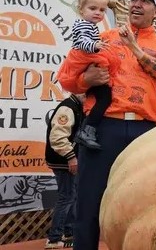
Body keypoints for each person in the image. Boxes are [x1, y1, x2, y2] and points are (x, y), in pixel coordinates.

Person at [57, 0, 156, 250]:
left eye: (145, 0)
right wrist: (86, 80)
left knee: (147, 205)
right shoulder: (103, 37)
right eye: (134, 0)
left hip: (145, 133)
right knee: (88, 202)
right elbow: (66, 79)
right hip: (101, 130)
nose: (137, 4)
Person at [57, 0, 121, 150]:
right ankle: (87, 130)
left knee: (102, 93)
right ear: (81, 9)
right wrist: (95, 45)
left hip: (86, 62)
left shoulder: (90, 26)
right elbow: (83, 42)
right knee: (105, 97)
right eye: (93, 8)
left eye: (102, 10)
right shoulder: (83, 25)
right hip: (84, 59)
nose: (98, 13)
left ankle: (87, 129)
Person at [44, 94, 83, 249]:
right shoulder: (68, 107)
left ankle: (68, 232)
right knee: (66, 197)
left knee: (71, 196)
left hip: (64, 160)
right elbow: (57, 137)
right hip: (63, 161)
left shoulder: (76, 106)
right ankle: (53, 239)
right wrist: (71, 157)